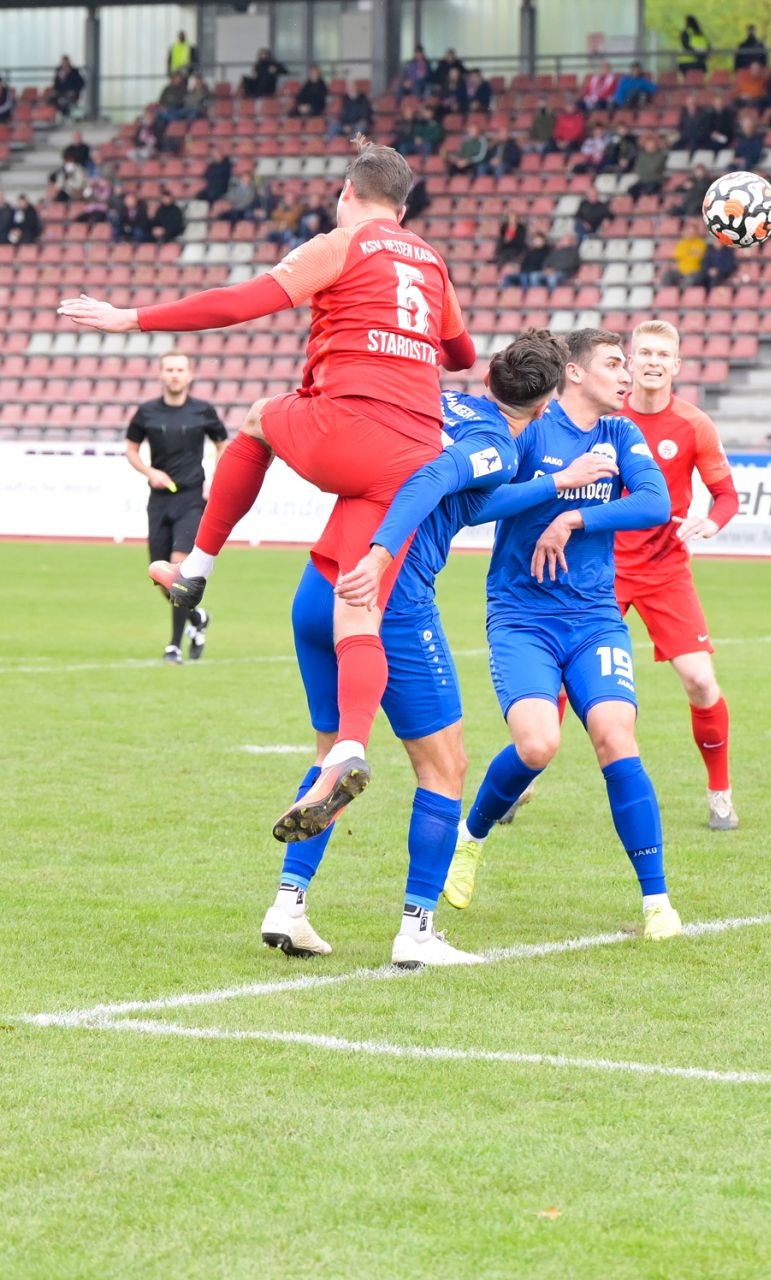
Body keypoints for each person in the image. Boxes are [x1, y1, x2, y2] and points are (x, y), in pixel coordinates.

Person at [58, 140, 475, 843]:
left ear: (347, 194)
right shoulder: (432, 262)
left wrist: (132, 317)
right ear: (404, 211)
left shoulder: (342, 243)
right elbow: (461, 355)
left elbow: (240, 303)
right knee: (359, 609)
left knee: (257, 417)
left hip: (347, 430)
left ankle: (196, 570)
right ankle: (349, 746)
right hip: (411, 463)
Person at [270, 333, 587, 964]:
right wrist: (382, 553)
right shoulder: (497, 443)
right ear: (547, 402)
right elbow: (439, 477)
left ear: (490, 376)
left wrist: (554, 484)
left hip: (320, 583)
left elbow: (464, 502)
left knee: (333, 756)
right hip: (386, 597)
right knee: (445, 768)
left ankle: (288, 904)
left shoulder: (434, 401)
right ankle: (416, 932)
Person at [442, 329, 679, 941]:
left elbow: (655, 503)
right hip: (522, 616)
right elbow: (477, 506)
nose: (626, 375)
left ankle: (657, 903)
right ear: (573, 372)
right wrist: (557, 484)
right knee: (538, 745)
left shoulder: (620, 434)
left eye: (627, 365)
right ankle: (470, 837)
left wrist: (575, 516)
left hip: (595, 616)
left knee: (616, 736)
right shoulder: (531, 430)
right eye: (614, 364)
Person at [604, 320, 747, 830]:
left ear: (676, 365)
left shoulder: (693, 424)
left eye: (662, 355)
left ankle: (720, 793)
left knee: (701, 681)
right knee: (561, 677)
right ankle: (524, 782)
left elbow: (726, 495)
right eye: (644, 353)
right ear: (630, 361)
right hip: (602, 568)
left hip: (665, 569)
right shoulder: (605, 416)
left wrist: (711, 521)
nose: (653, 362)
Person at [125, 352, 227, 664]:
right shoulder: (147, 412)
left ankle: (174, 646)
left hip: (192, 499)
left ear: (190, 374)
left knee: (180, 571)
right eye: (169, 369)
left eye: (180, 369)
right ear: (161, 374)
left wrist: (215, 480)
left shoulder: (203, 410)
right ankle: (197, 618)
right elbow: (131, 450)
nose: (174, 374)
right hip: (159, 501)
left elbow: (223, 445)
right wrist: (149, 472)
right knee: (159, 574)